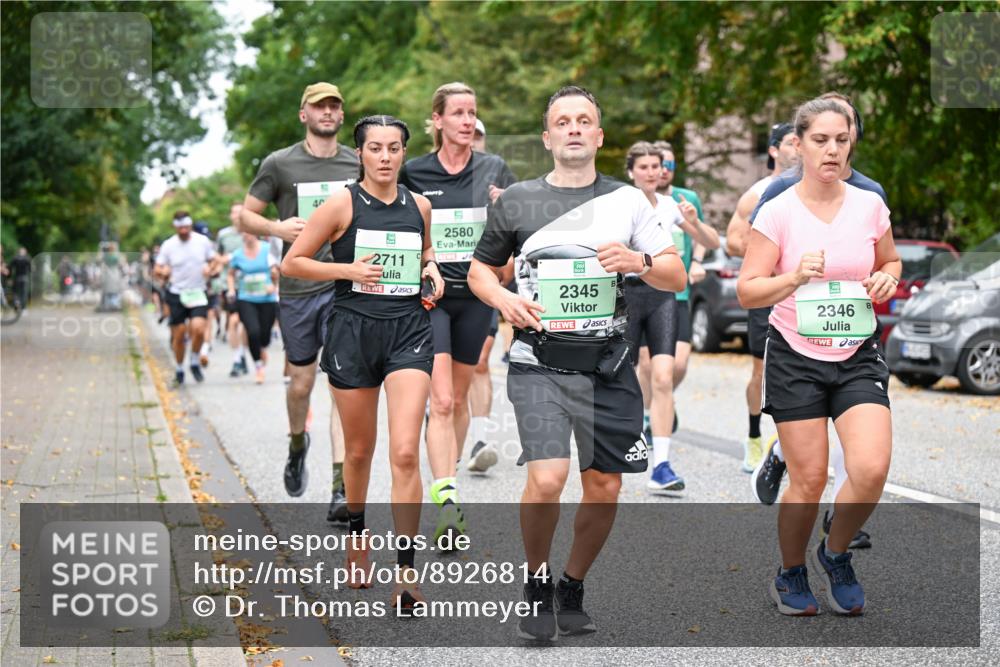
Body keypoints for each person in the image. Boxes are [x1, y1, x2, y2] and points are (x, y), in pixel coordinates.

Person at [469, 86, 685, 641]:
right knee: (547, 479)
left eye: (583, 120)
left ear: (598, 135)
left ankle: (572, 584)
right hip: (538, 360)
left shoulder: (629, 201)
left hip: (608, 365)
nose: (572, 128)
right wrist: (503, 299)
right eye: (562, 121)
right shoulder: (515, 200)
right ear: (547, 137)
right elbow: (479, 272)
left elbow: (674, 275)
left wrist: (638, 261)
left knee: (605, 486)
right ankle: (536, 580)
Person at [737, 97, 899, 616]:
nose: (832, 149)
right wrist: (793, 278)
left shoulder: (870, 204)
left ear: (852, 142)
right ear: (800, 145)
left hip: (856, 353)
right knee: (808, 478)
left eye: (841, 139)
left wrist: (886, 278)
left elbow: (890, 259)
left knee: (871, 468)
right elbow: (748, 290)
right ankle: (790, 572)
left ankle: (834, 552)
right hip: (795, 355)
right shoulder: (778, 211)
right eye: (820, 140)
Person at [282, 114, 444, 614]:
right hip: (353, 333)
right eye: (376, 148)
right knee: (358, 451)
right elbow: (293, 262)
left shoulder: (418, 205)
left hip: (408, 333)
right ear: (361, 154)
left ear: (402, 152)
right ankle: (356, 532)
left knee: (403, 453)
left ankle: (406, 572)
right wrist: (346, 269)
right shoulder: (341, 203)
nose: (386, 157)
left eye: (394, 148)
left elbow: (427, 252)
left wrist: (432, 271)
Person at [399, 82, 516, 544]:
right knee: (442, 400)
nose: (468, 121)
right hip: (431, 297)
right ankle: (448, 502)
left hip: (477, 296)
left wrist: (504, 256)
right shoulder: (414, 172)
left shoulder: (493, 167)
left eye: (473, 113)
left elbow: (510, 233)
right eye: (459, 113)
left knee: (461, 398)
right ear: (438, 120)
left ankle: (447, 478)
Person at [240, 82, 358, 521]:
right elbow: (245, 214)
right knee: (302, 385)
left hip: (343, 287)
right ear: (303, 114)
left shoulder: (357, 160)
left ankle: (340, 487)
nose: (327, 112)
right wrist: (277, 229)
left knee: (342, 385)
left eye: (334, 106)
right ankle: (296, 443)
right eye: (319, 106)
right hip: (297, 291)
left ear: (341, 115)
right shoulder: (280, 163)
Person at [622, 141, 705, 493]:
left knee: (663, 376)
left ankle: (662, 466)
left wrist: (695, 224)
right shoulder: (618, 204)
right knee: (621, 377)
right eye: (644, 167)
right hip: (626, 297)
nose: (652, 173)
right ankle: (618, 446)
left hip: (663, 297)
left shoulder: (673, 205)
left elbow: (710, 240)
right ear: (631, 172)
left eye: (657, 166)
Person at [725, 122, 798, 473]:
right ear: (773, 150)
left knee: (801, 371)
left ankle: (787, 444)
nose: (798, 148)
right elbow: (733, 241)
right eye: (791, 142)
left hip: (803, 293)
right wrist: (771, 249)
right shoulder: (758, 193)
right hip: (768, 290)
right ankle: (754, 437)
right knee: (762, 370)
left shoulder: (819, 188)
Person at [155, 212, 219, 386]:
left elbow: (215, 261)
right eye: (180, 227)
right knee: (180, 334)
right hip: (176, 293)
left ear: (190, 226)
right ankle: (179, 368)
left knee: (198, 329)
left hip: (198, 291)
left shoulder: (202, 242)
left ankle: (194, 360)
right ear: (175, 227)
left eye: (186, 227)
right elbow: (157, 269)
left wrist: (211, 270)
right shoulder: (168, 245)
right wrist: (163, 272)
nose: (183, 230)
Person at [227, 232, 279, 384]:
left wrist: (274, 285)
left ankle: (262, 347)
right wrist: (231, 289)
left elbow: (279, 269)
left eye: (249, 232)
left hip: (267, 298)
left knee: (265, 334)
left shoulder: (268, 249)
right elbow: (230, 274)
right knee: (253, 331)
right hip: (246, 298)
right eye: (244, 232)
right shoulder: (237, 254)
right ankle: (258, 367)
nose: (246, 235)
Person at [218, 203, 250, 377]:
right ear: (231, 216)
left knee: (245, 323)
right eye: (235, 213)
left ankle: (242, 354)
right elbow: (217, 257)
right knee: (233, 321)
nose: (237, 216)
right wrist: (228, 258)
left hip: (250, 285)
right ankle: (237, 359)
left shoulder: (251, 233)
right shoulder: (224, 235)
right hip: (229, 285)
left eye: (241, 213)